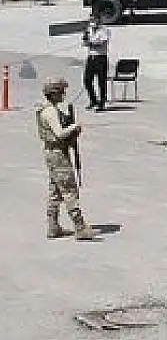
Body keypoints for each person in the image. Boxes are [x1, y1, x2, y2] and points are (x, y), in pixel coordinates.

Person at [37, 78, 96, 240]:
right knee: (69, 190)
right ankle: (80, 227)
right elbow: (59, 133)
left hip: (53, 153)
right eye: (61, 91)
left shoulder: (48, 109)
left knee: (56, 190)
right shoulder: (50, 112)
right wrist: (74, 127)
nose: (63, 94)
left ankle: (53, 226)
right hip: (58, 155)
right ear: (54, 93)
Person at [81, 14, 110, 112]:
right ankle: (93, 100)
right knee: (87, 80)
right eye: (91, 20)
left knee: (101, 81)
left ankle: (102, 103)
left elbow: (102, 43)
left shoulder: (104, 30)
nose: (92, 22)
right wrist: (85, 37)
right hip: (91, 57)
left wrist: (90, 43)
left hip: (100, 58)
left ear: (99, 20)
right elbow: (85, 41)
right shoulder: (89, 30)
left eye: (94, 20)